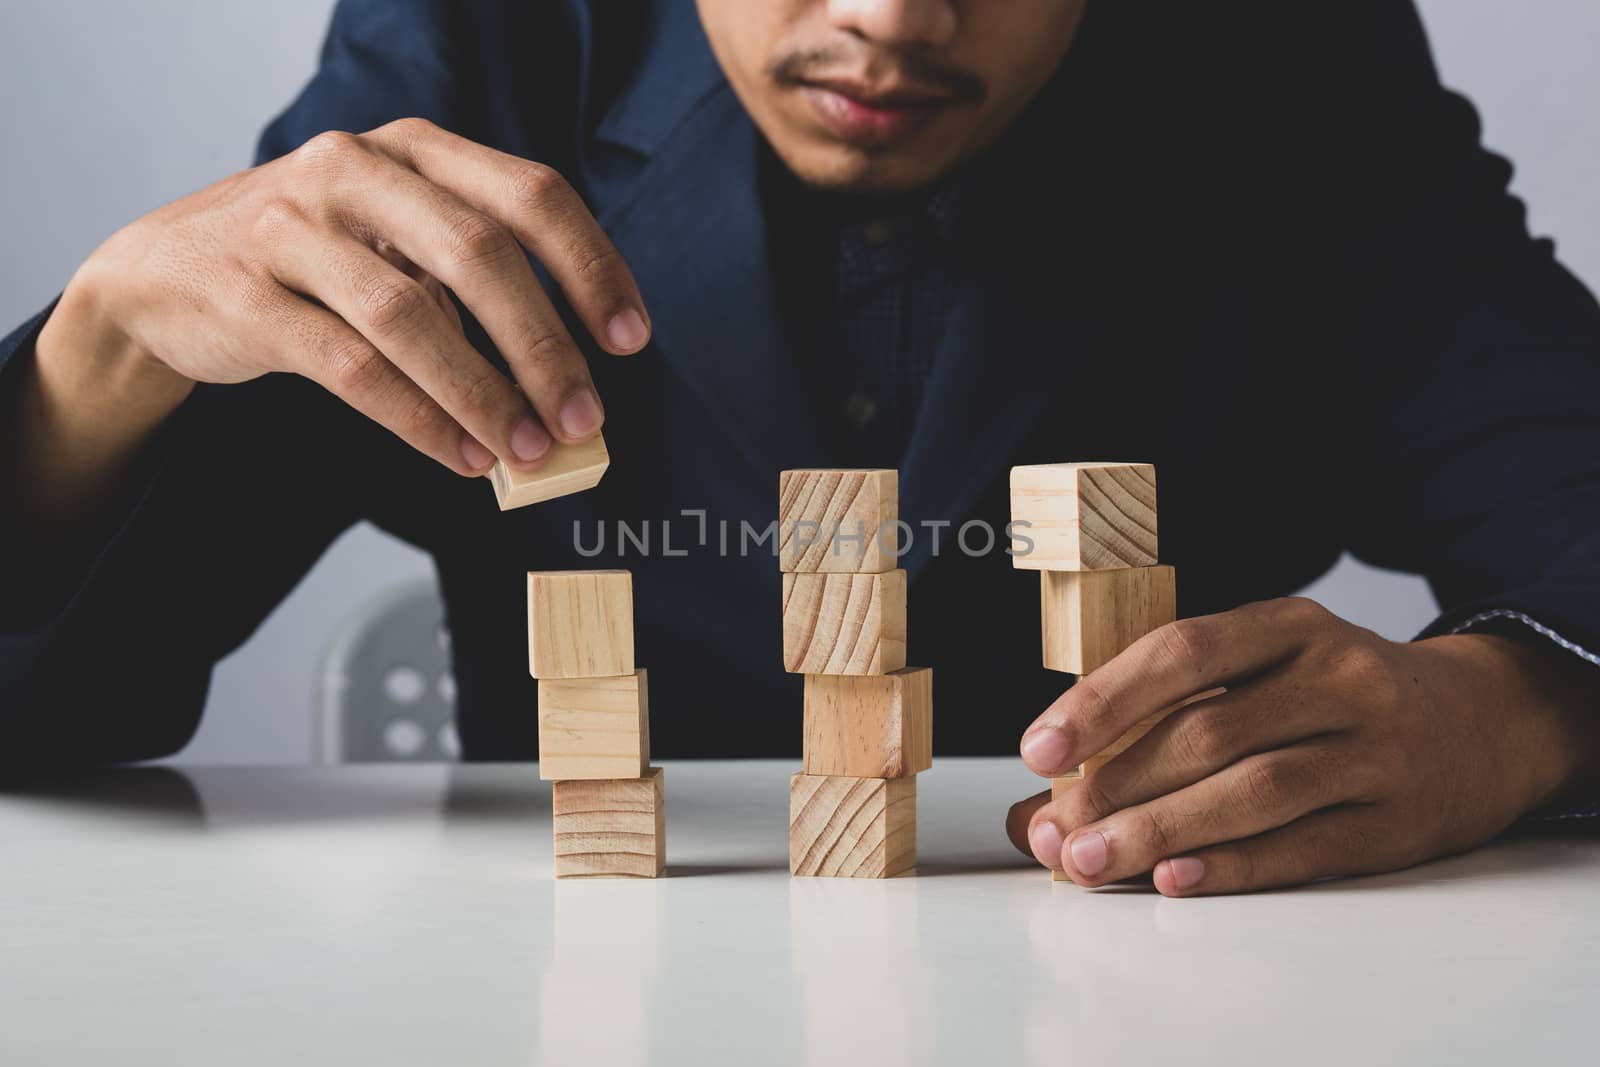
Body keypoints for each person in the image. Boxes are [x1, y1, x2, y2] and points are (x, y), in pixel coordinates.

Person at [2, 0, 1597, 895]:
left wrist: (1512, 710)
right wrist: (101, 354)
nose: (890, 20)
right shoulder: (483, 40)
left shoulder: (1286, 53)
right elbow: (62, 691)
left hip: (1167, 978)